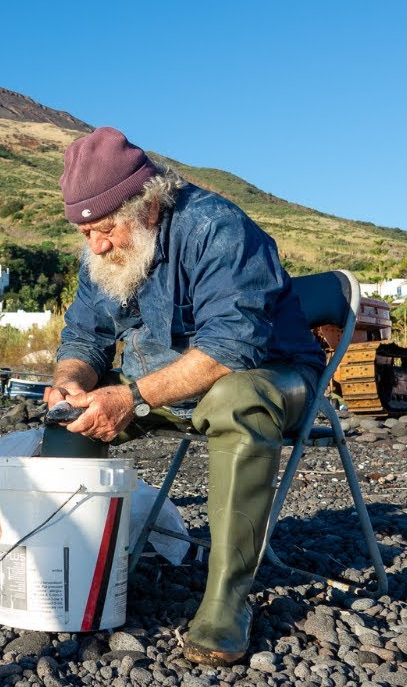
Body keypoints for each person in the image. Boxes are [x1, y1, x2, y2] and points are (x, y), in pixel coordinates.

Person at [44, 126, 326, 666]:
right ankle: (74, 580)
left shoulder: (217, 229)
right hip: (163, 386)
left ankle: (227, 601)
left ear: (148, 208)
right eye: (86, 236)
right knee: (66, 420)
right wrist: (73, 381)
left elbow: (232, 348)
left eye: (106, 230)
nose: (97, 246)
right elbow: (84, 338)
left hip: (274, 377)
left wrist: (130, 397)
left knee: (233, 401)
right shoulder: (102, 251)